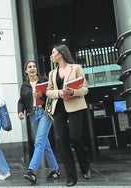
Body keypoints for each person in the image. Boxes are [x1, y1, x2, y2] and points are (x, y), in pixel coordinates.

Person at [46, 44, 91, 187]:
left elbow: (84, 89)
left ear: (61, 53)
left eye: (53, 53)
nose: (52, 55)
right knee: (62, 141)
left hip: (75, 106)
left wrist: (72, 92)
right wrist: (59, 93)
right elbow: (48, 91)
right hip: (58, 107)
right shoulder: (52, 73)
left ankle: (85, 165)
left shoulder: (76, 68)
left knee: (75, 137)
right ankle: (71, 176)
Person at [18, 61, 60, 184]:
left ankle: (32, 171)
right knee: (44, 143)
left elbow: (52, 96)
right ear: (25, 70)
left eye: (34, 66)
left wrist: (42, 95)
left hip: (45, 113)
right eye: (29, 67)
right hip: (32, 115)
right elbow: (21, 101)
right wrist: (20, 111)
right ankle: (55, 169)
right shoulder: (25, 85)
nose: (32, 68)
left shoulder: (44, 80)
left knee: (39, 141)